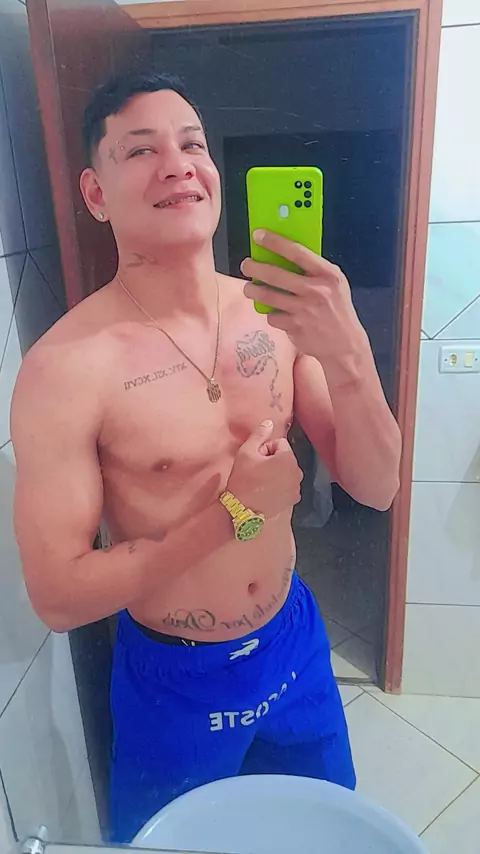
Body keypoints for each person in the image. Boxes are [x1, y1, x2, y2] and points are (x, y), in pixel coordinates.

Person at [11, 70, 401, 843]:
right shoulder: (67, 368)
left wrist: (351, 351)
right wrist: (236, 514)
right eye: (141, 150)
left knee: (317, 834)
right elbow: (57, 596)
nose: (179, 165)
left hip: (292, 643)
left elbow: (379, 485)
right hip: (173, 678)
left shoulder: (277, 316)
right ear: (95, 193)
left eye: (192, 144)